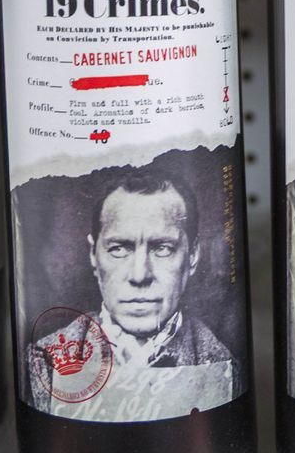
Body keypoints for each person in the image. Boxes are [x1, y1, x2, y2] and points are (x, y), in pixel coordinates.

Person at [28, 173, 233, 413]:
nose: (139, 275)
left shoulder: (223, 360)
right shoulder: (42, 361)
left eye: (163, 248)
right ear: (94, 254)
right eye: (119, 249)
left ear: (193, 255)